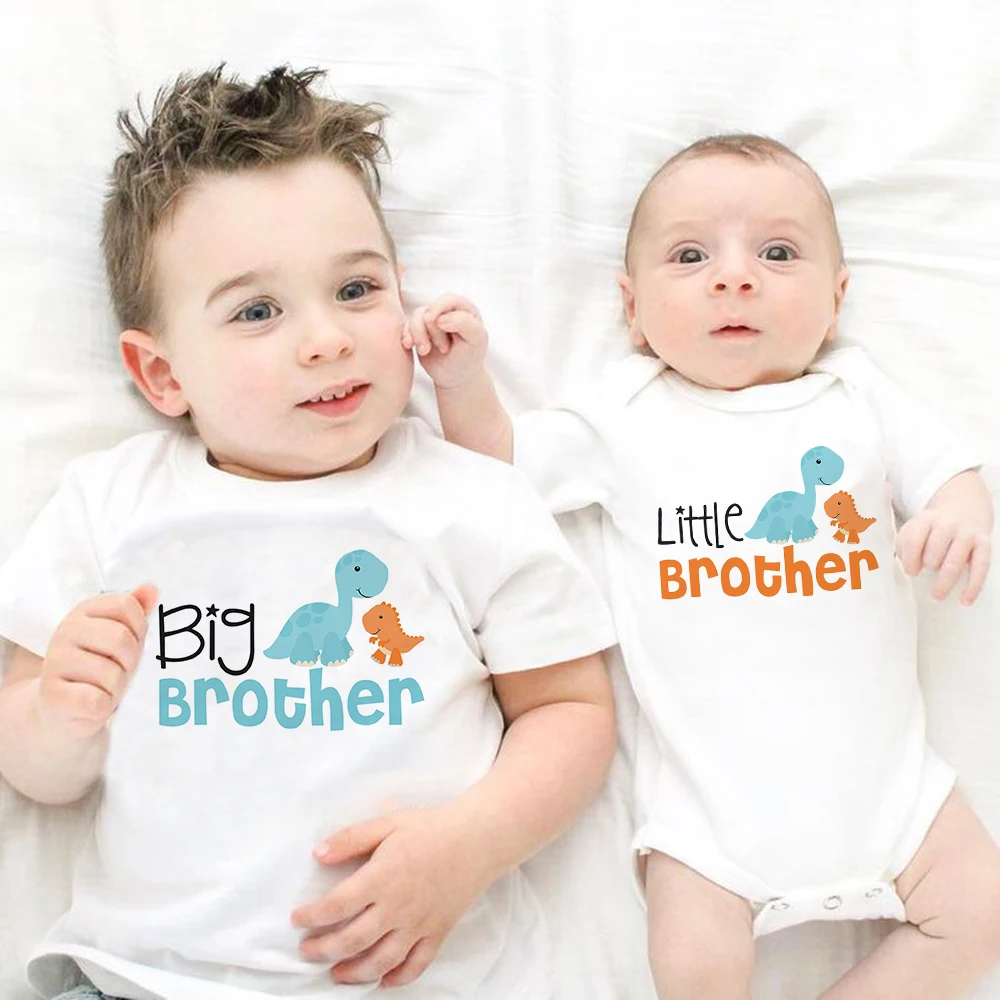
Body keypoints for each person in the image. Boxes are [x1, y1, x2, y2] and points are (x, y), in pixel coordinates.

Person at [0, 65, 617, 1000]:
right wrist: (57, 713)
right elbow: (38, 772)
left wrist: (472, 843)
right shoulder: (112, 502)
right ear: (162, 374)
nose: (326, 339)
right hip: (145, 978)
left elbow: (571, 710)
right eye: (257, 311)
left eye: (357, 289)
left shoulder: (471, 501)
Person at [411, 134, 1000, 998]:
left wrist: (959, 515)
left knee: (980, 911)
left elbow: (951, 471)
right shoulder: (627, 415)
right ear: (632, 308)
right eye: (690, 257)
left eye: (778, 253)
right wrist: (462, 383)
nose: (734, 278)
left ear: (836, 299)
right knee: (691, 967)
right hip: (710, 820)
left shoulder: (857, 395)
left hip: (893, 793)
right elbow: (499, 467)